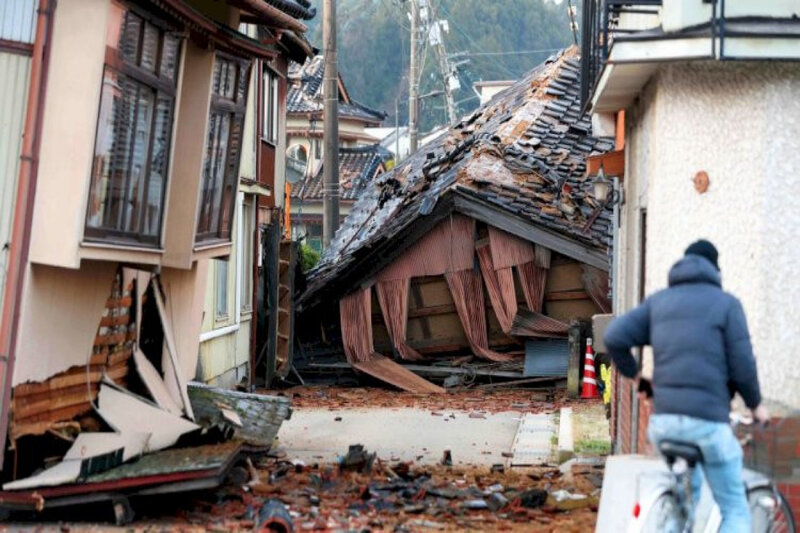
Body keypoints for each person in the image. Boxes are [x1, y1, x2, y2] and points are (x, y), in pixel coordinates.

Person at [604, 239, 768, 533]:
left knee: (685, 506)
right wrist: (756, 406)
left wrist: (637, 378)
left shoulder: (659, 302)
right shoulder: (727, 305)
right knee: (734, 509)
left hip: (663, 425)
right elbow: (743, 367)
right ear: (715, 270)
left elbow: (614, 336)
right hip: (707, 424)